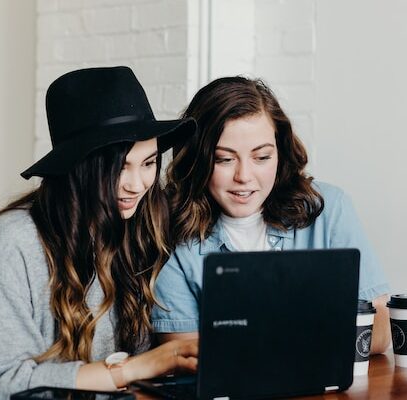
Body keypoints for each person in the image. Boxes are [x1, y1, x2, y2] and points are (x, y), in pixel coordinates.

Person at [0, 66, 199, 399]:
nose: (137, 185)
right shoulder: (12, 241)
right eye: (119, 167)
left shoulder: (134, 231)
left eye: (149, 163)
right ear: (78, 167)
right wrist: (137, 368)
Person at [152, 76, 392, 354]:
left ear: (280, 152)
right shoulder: (170, 231)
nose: (244, 176)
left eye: (262, 157)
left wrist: (261, 342)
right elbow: (182, 354)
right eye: (224, 159)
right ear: (198, 160)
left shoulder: (329, 208)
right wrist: (313, 331)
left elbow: (380, 329)